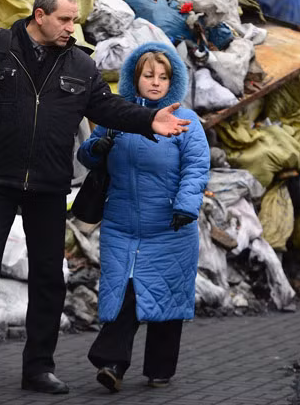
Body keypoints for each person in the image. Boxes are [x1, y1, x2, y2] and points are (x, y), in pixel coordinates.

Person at [0, 0, 191, 398]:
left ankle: (38, 368)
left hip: (49, 184)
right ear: (39, 15)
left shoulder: (80, 63)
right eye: (65, 20)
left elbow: (106, 108)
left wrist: (148, 120)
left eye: (74, 20)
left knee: (49, 279)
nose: (72, 27)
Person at [77, 42, 210, 393]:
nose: (155, 83)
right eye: (148, 76)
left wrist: (185, 205)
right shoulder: (118, 117)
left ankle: (160, 369)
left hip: (170, 226)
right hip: (121, 224)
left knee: (165, 296)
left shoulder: (187, 120)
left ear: (173, 81)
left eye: (163, 77)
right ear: (133, 78)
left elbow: (196, 167)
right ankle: (112, 364)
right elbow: (87, 155)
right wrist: (96, 148)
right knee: (125, 292)